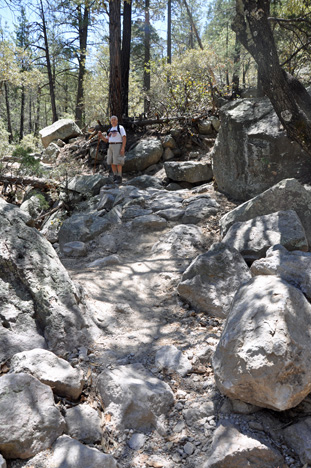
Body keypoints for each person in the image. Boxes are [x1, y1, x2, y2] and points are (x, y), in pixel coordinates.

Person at [98, 115, 126, 184]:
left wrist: (123, 147)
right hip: (110, 146)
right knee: (111, 161)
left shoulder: (120, 128)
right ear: (110, 122)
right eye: (112, 120)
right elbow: (106, 140)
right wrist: (101, 136)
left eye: (114, 120)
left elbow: (124, 137)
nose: (113, 121)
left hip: (118, 145)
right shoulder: (109, 130)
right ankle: (115, 176)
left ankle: (119, 177)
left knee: (118, 161)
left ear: (117, 121)